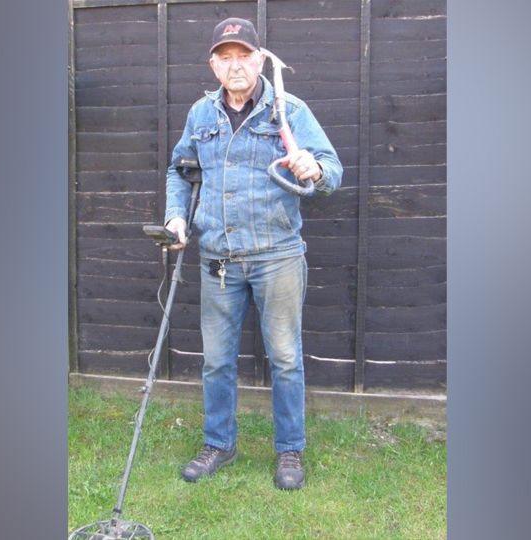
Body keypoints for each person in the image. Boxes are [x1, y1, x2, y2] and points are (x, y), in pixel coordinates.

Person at [163, 17, 341, 490]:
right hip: (218, 259)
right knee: (217, 361)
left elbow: (332, 172)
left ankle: (289, 451)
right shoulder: (201, 115)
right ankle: (219, 443)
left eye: (245, 56)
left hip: (277, 256)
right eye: (226, 57)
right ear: (214, 65)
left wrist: (314, 170)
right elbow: (179, 172)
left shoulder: (289, 110)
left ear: (260, 61)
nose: (236, 65)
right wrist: (176, 216)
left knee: (285, 358)